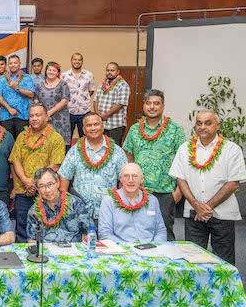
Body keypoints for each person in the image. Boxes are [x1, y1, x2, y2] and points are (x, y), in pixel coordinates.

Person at [169, 110, 246, 265]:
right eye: (199, 123)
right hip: (193, 214)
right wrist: (196, 205)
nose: (202, 126)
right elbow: (180, 179)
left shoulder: (231, 149)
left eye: (207, 123)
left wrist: (205, 207)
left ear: (217, 125)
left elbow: (232, 183)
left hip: (223, 214)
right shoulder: (185, 149)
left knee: (224, 262)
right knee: (192, 260)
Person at [123, 89, 186, 240]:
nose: (152, 107)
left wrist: (177, 193)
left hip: (165, 192)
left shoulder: (175, 130)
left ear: (163, 106)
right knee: (137, 232)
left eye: (156, 103)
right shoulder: (134, 130)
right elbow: (129, 156)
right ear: (143, 106)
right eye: (148, 103)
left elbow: (183, 161)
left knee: (164, 234)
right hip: (139, 191)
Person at [10, 103, 66, 242]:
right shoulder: (22, 136)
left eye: (38, 115)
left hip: (46, 193)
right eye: (31, 116)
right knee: (21, 228)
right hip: (23, 191)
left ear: (47, 117)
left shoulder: (56, 138)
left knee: (44, 229)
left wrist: (35, 184)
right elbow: (15, 160)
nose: (34, 118)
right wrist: (25, 181)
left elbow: (55, 165)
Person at [59, 112, 127, 226]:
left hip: (109, 213)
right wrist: (63, 206)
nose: (93, 128)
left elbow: (124, 181)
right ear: (84, 129)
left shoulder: (117, 151)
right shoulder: (75, 151)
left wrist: (122, 207)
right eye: (89, 125)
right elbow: (64, 177)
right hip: (79, 213)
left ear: (102, 126)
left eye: (96, 124)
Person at [98, 163, 167, 243]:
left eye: (135, 176)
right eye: (126, 176)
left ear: (142, 179)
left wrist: (154, 246)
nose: (130, 180)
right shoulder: (109, 201)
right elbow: (105, 233)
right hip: (121, 250)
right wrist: (128, 248)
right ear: (120, 179)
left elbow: (160, 230)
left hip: (151, 249)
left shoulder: (152, 200)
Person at [27, 168, 92, 243]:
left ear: (57, 183)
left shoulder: (75, 203)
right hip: (46, 252)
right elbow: (32, 240)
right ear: (37, 189)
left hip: (73, 250)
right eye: (42, 186)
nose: (47, 190)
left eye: (50, 184)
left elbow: (90, 231)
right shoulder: (34, 211)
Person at [0, 54, 35, 138]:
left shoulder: (27, 78)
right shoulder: (3, 78)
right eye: (11, 63)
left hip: (23, 116)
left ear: (19, 63)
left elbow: (31, 94)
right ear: (8, 65)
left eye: (15, 63)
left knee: (23, 141)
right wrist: (9, 109)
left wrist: (17, 88)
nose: (13, 65)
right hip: (6, 116)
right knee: (7, 142)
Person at [34, 62, 72, 149]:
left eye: (54, 70)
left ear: (58, 73)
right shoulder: (39, 84)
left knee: (60, 144)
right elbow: (36, 99)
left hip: (60, 119)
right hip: (43, 119)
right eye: (49, 70)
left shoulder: (63, 84)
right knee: (44, 144)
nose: (51, 72)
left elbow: (65, 101)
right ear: (46, 71)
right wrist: (42, 114)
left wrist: (49, 113)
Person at [93, 62, 131, 146]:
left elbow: (120, 103)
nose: (109, 72)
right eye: (107, 70)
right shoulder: (102, 83)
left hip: (116, 124)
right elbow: (96, 99)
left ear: (118, 72)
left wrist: (106, 115)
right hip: (102, 124)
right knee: (101, 147)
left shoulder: (123, 85)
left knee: (114, 149)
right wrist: (97, 113)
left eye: (112, 70)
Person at [61, 53, 96, 139]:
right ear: (71, 61)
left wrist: (81, 98)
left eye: (79, 60)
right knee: (67, 138)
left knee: (85, 138)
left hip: (84, 111)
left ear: (82, 61)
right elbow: (61, 92)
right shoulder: (64, 76)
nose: (77, 61)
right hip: (68, 111)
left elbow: (91, 90)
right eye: (75, 59)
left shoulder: (89, 75)